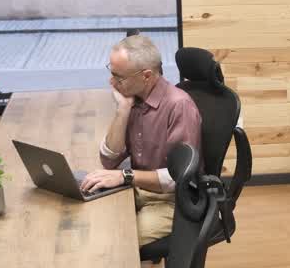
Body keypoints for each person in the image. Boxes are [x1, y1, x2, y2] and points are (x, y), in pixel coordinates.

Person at [79, 35, 203, 248]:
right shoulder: (134, 100)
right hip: (139, 189)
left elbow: (178, 179)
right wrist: (123, 109)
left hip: (173, 201)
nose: (112, 82)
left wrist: (125, 176)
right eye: (111, 73)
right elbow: (109, 160)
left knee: (115, 242)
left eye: (119, 77)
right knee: (89, 219)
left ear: (146, 76)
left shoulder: (179, 106)